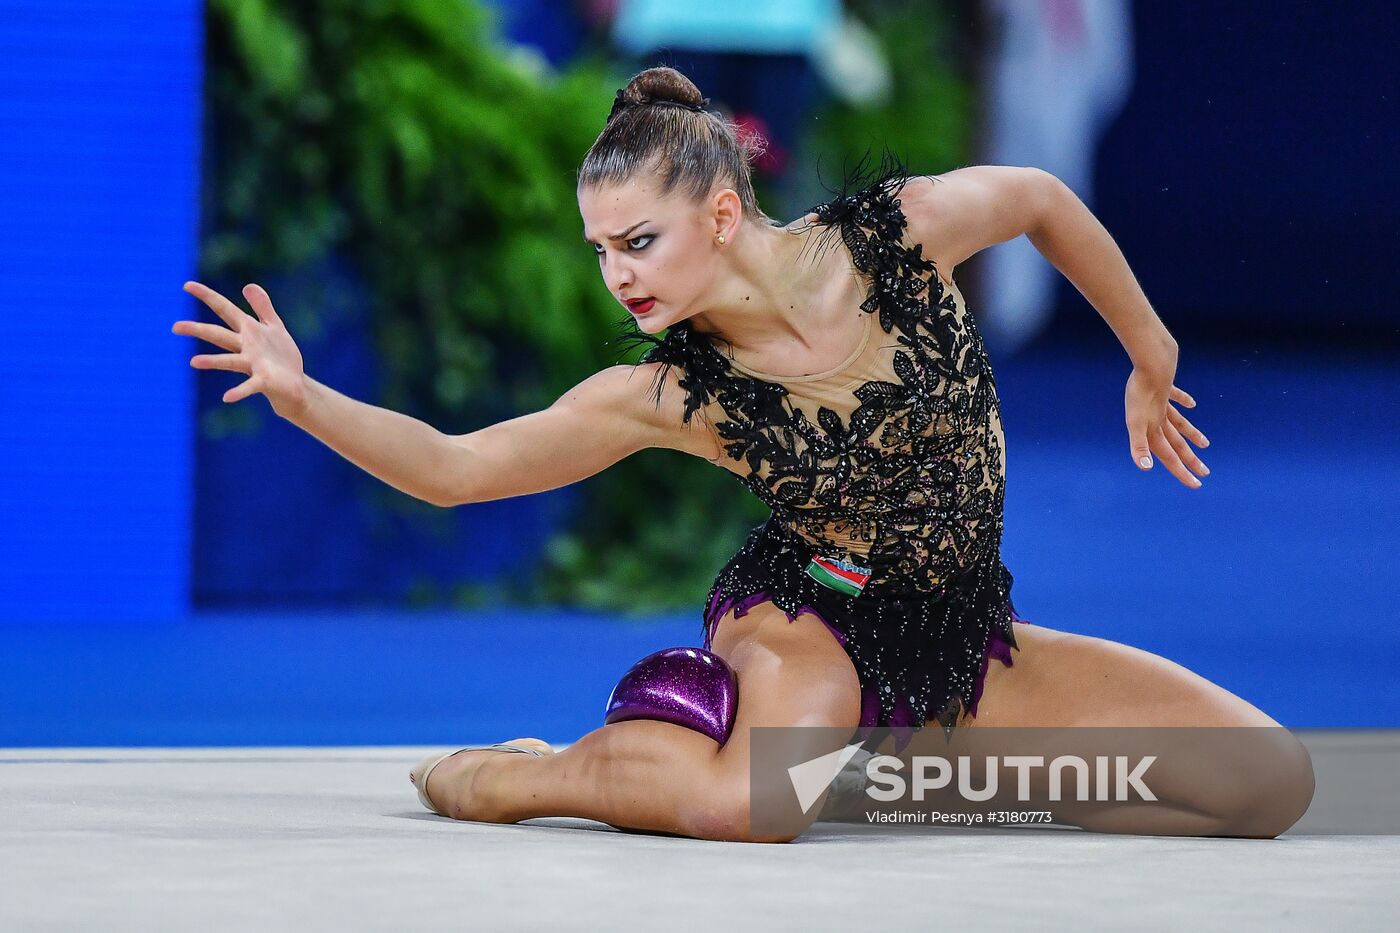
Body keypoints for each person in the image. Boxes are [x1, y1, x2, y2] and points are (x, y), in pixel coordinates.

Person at [173, 66, 1314, 842]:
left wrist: (1148, 348)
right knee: (756, 808)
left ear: (720, 215)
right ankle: (523, 773)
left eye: (636, 241)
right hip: (807, 610)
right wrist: (304, 395)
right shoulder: (669, 392)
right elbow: (459, 467)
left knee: (1268, 784)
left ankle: (896, 755)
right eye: (599, 250)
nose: (615, 274)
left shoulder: (894, 240)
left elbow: (1037, 199)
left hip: (956, 627)